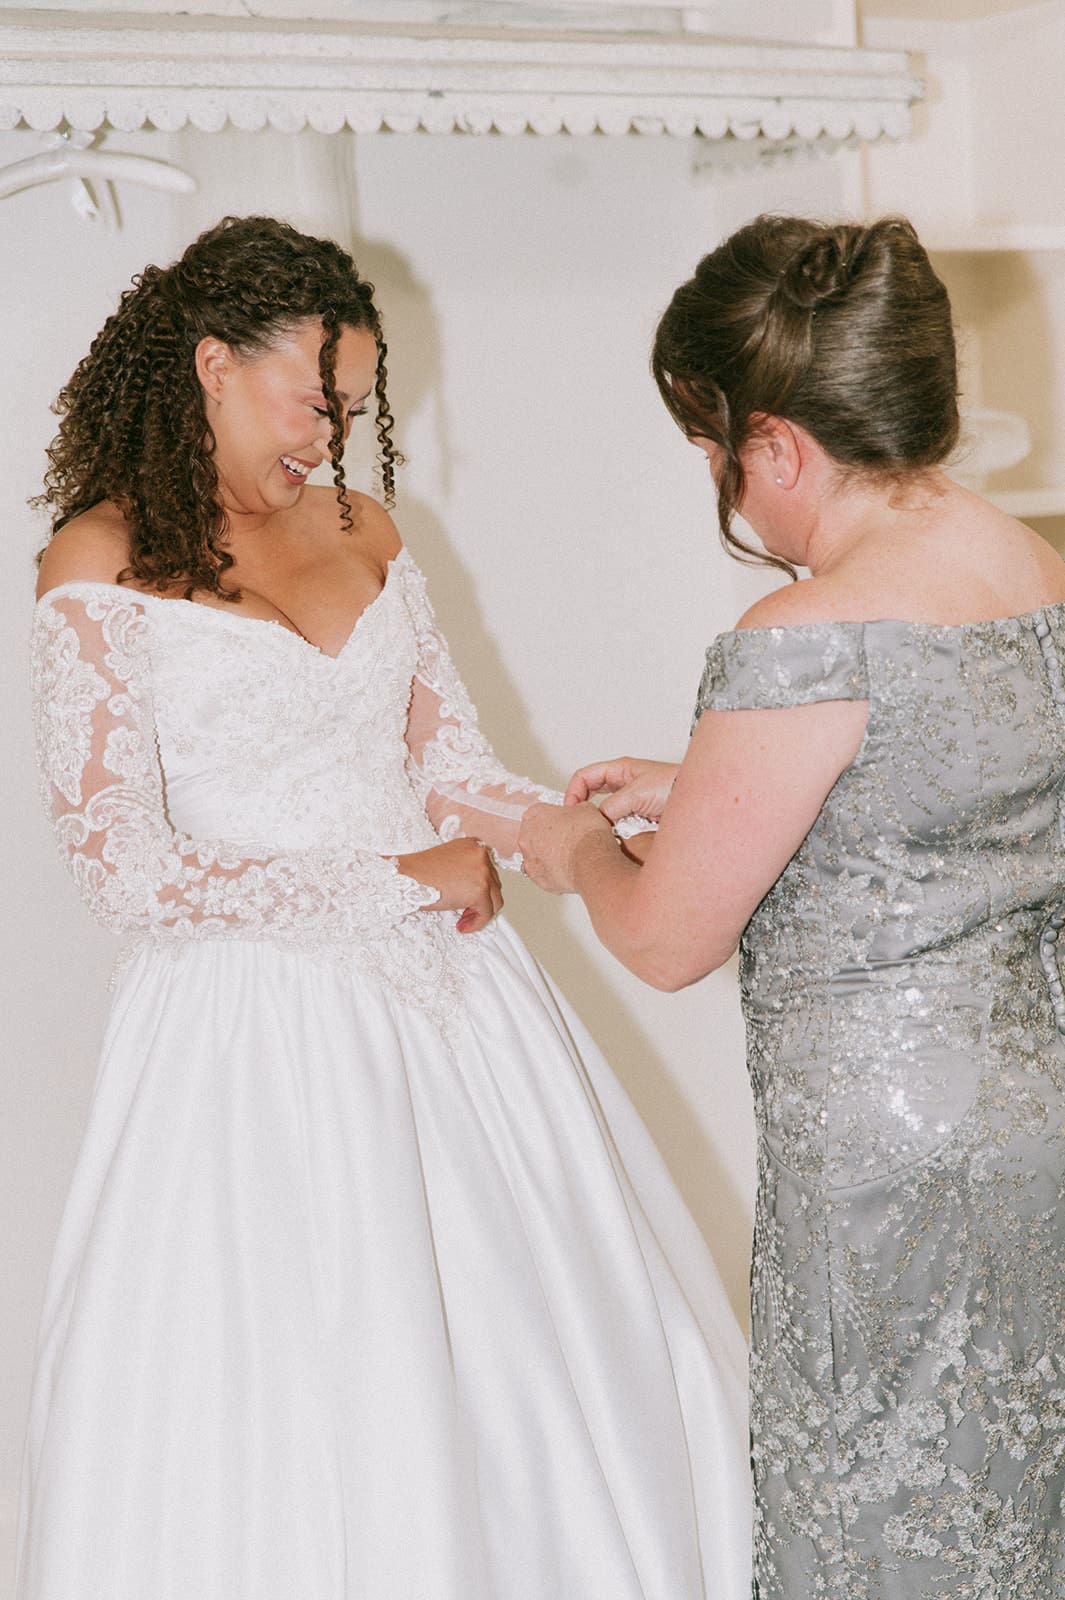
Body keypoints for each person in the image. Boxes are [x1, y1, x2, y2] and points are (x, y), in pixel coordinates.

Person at [19, 215, 752, 1600]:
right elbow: (120, 863)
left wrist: (566, 827)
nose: (333, 430)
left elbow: (447, 766)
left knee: (526, 1357)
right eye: (316, 395)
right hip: (246, 1035)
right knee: (293, 1384)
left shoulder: (365, 529)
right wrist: (391, 880)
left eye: (352, 403)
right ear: (213, 366)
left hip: (451, 1014)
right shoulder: (97, 561)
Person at [518, 214, 1065, 1599]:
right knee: (1009, 1513)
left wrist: (569, 842)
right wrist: (697, 784)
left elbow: (662, 938)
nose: (721, 488)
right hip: (1029, 1117)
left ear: (775, 445)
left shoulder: (801, 635)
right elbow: (948, 799)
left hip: (881, 1162)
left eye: (710, 456)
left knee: (871, 1518)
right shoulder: (1028, 568)